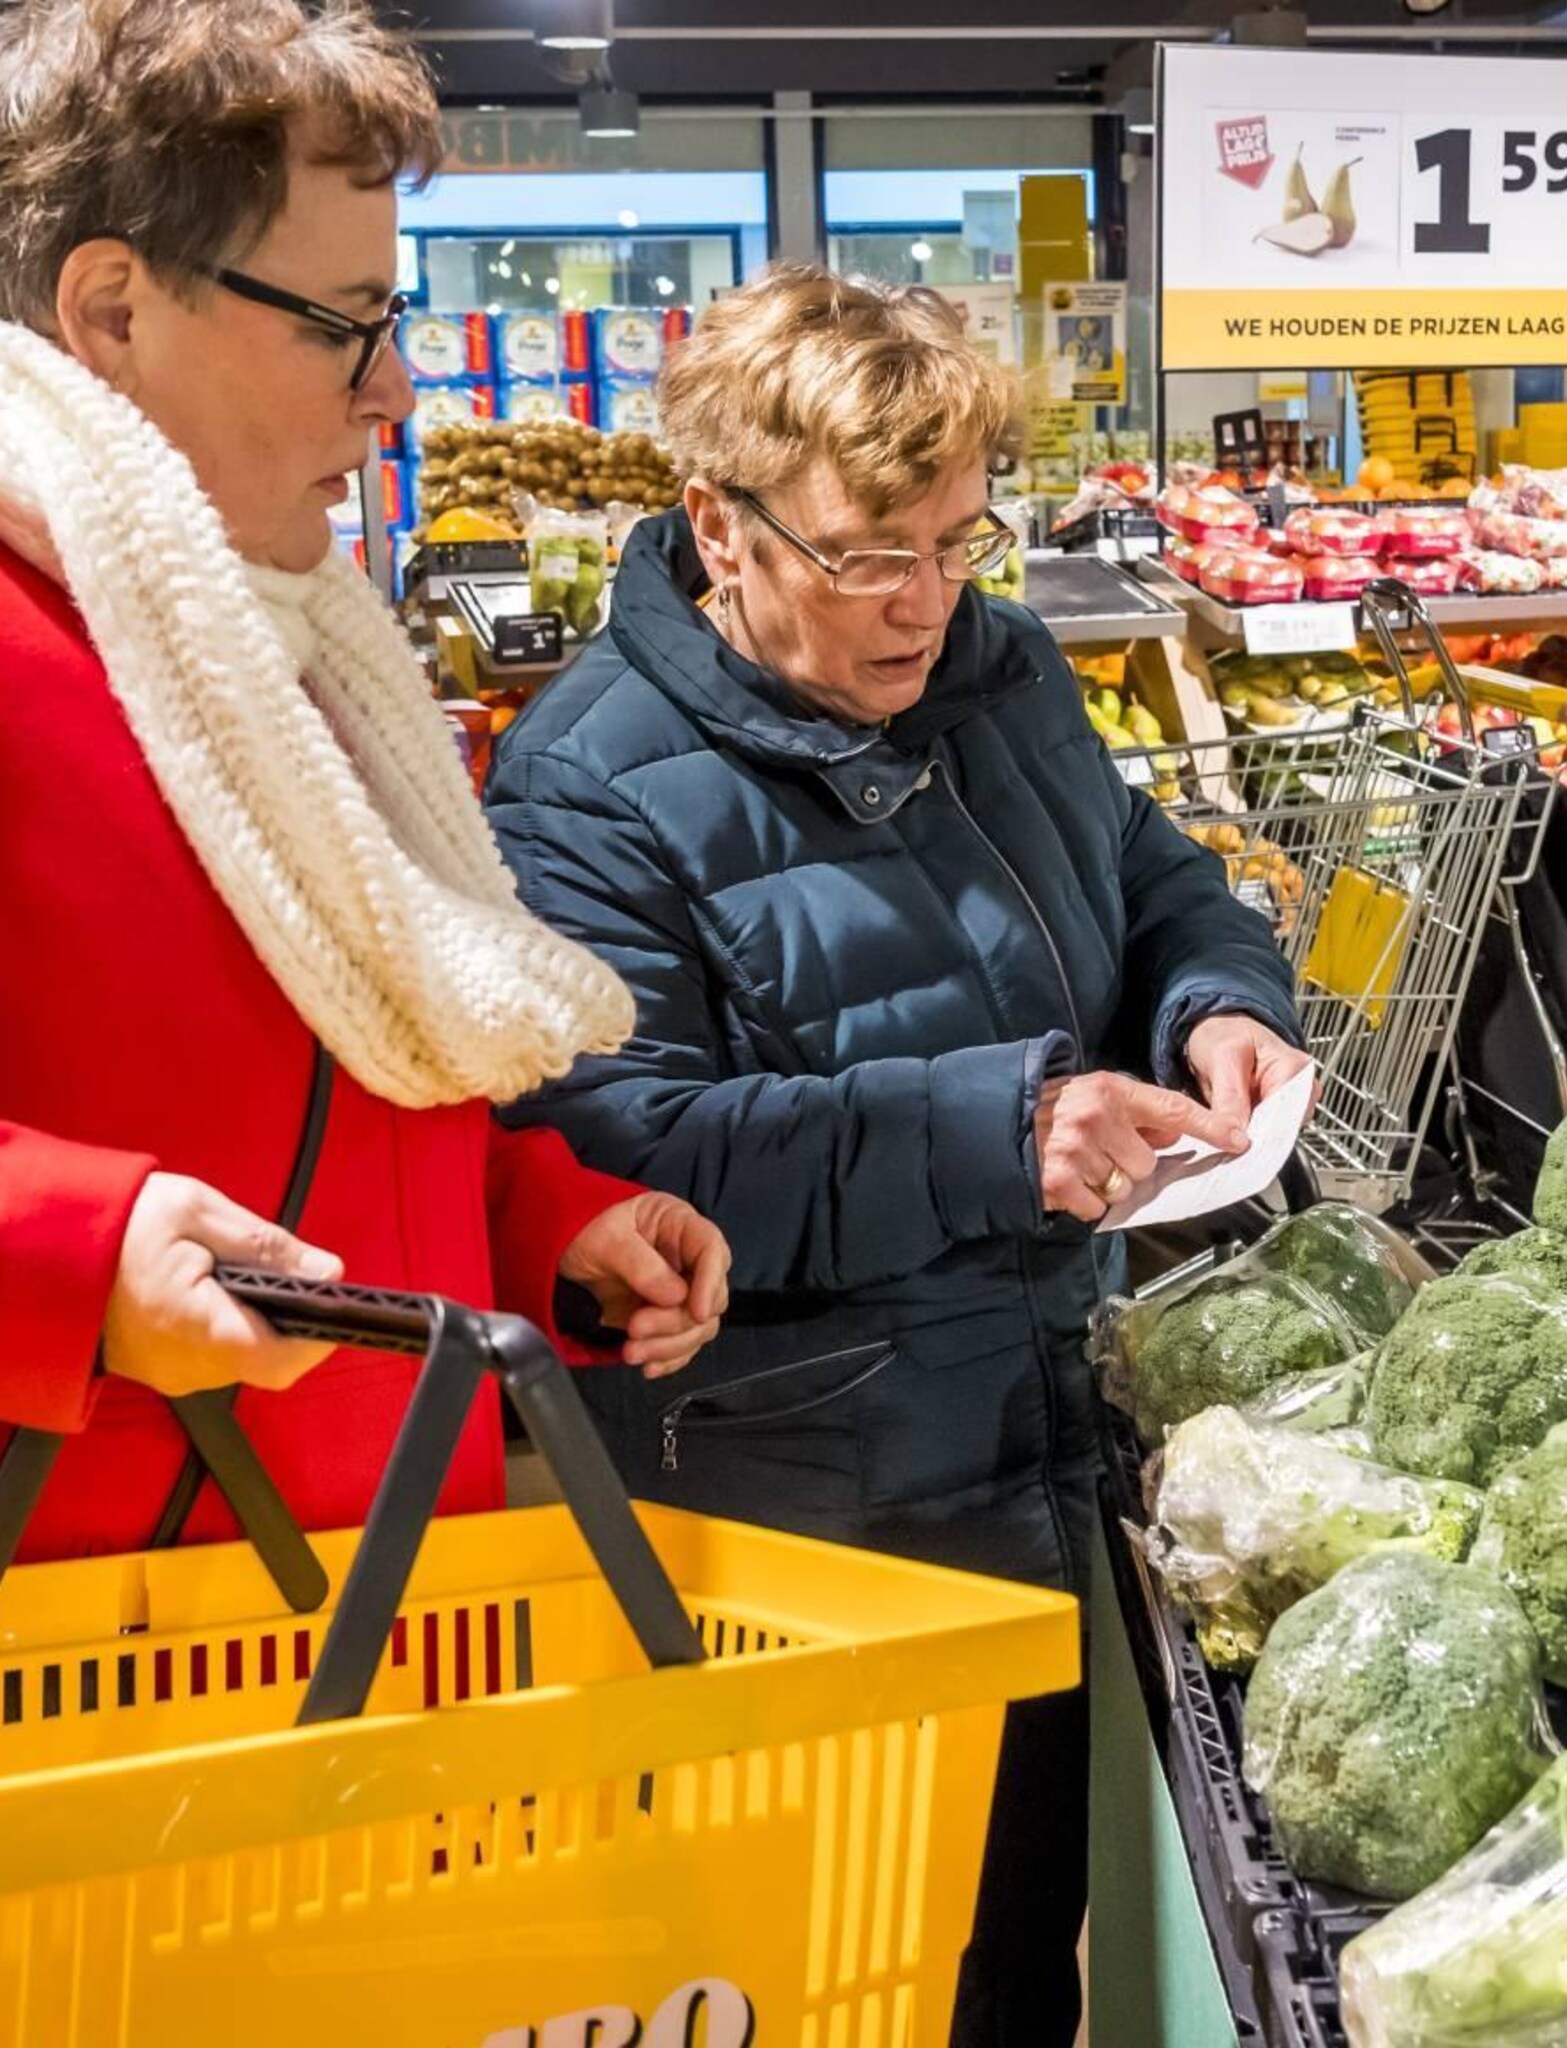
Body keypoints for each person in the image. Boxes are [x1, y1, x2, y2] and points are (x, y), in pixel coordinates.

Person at [484, 266, 1305, 2045]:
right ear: (717, 518)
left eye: (956, 539)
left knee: (1014, 1946)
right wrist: (999, 1123)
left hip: (1044, 1439)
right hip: (798, 1513)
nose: (921, 599)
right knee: (823, 1970)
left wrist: (1212, 999)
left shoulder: (1000, 672)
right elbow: (622, 1147)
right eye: (868, 552)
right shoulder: (584, 783)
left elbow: (1152, 878)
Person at [0, 0, 732, 1564]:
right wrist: (73, 1253)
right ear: (113, 310)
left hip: (388, 1616)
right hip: (107, 1668)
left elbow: (331, 1078)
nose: (394, 391)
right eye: (343, 322)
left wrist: (540, 1221)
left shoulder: (284, 651)